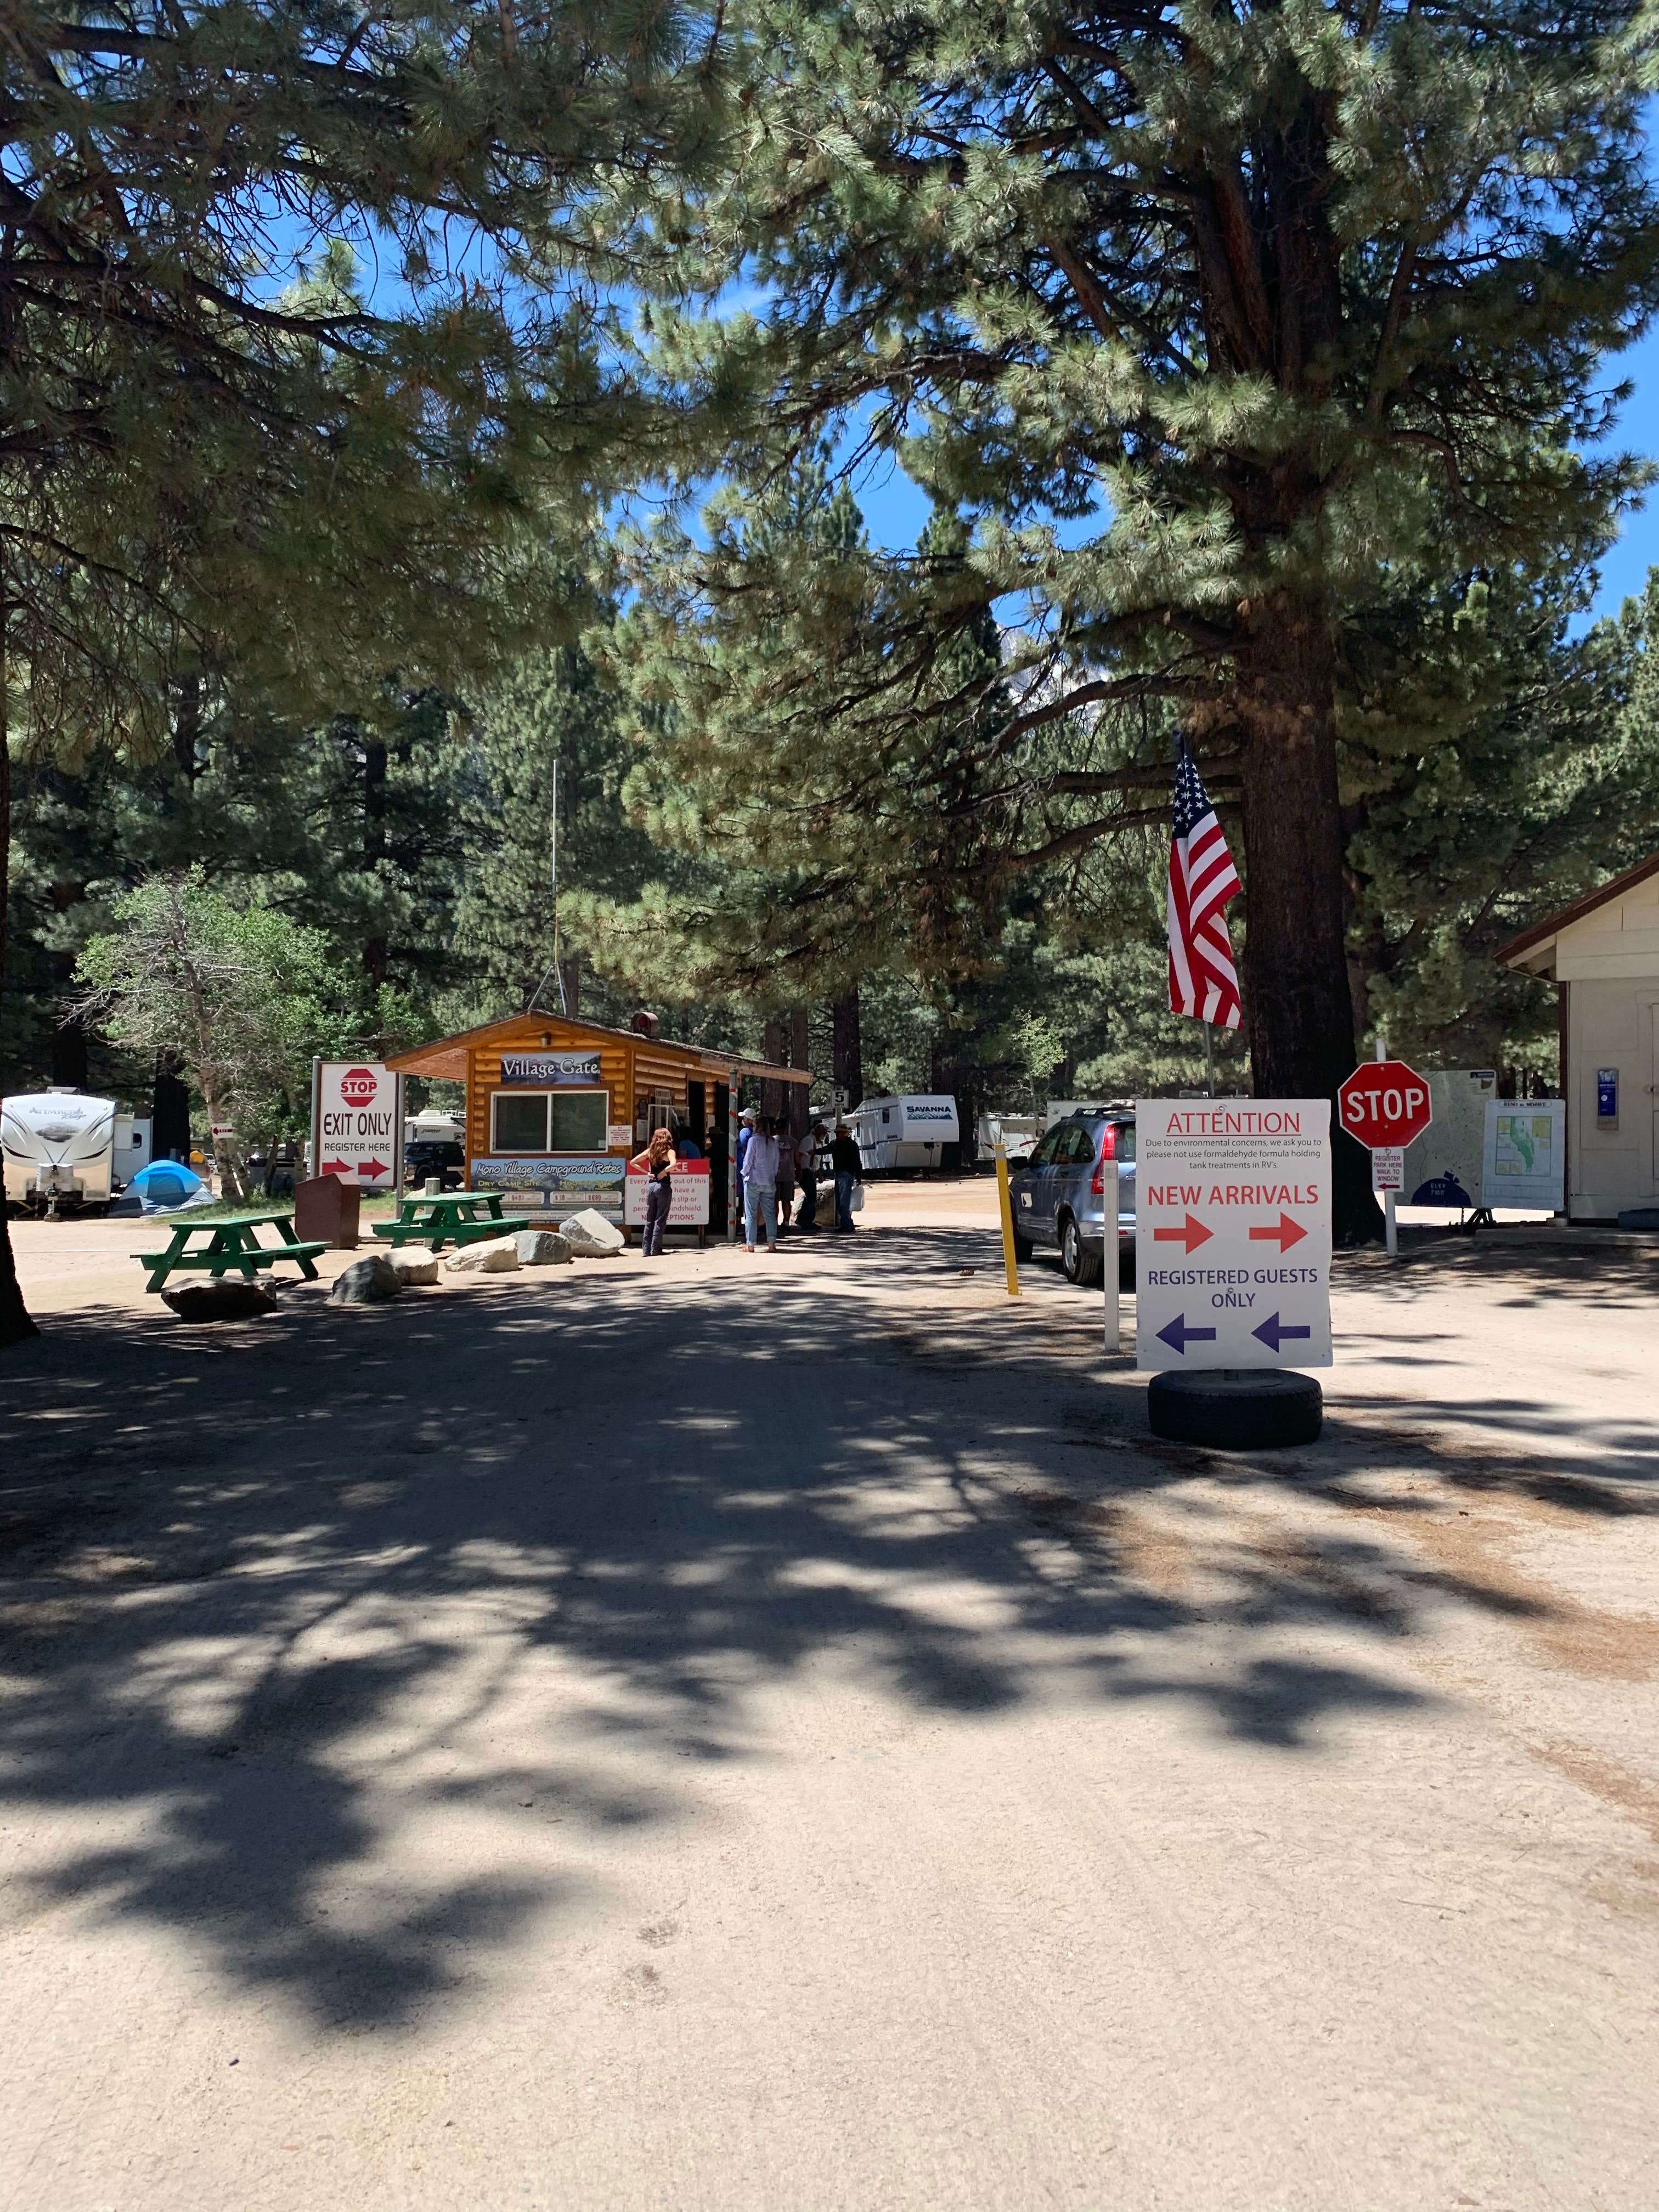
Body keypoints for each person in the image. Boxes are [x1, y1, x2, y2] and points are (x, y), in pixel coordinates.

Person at [632, 1125, 677, 1257]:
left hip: (651, 1186)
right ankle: (656, 1249)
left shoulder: (650, 1151)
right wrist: (664, 1172)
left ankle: (646, 1251)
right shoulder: (669, 1152)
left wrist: (647, 1173)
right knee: (660, 1219)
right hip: (663, 1186)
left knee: (650, 1218)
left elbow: (634, 1162)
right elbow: (673, 1165)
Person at [742, 1118, 781, 1251]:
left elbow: (748, 1161)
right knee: (770, 1214)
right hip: (769, 1181)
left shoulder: (753, 1140)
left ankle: (751, 1244)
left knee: (751, 1214)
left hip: (753, 1180)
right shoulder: (774, 1142)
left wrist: (744, 1173)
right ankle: (771, 1243)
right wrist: (772, 1176)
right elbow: (776, 1164)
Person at [831, 1120, 862, 1233]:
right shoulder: (835, 1143)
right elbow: (825, 1150)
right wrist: (814, 1151)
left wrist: (858, 1176)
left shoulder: (852, 1145)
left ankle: (846, 1226)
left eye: (839, 1133)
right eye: (836, 1133)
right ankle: (848, 1223)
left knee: (844, 1202)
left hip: (847, 1174)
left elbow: (857, 1161)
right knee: (840, 1202)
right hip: (839, 1174)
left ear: (844, 1133)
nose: (837, 1135)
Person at [795, 1121, 825, 1231]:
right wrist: (799, 1171)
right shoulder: (808, 1140)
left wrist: (819, 1174)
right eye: (822, 1133)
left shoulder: (819, 1143)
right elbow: (799, 1155)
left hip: (812, 1171)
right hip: (805, 1171)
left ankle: (807, 1220)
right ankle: (804, 1219)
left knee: (812, 1196)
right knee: (811, 1196)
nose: (824, 1135)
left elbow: (816, 1162)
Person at [774, 1117, 797, 1231]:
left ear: (775, 1128)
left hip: (775, 1175)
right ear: (786, 1128)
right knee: (786, 1201)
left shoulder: (772, 1141)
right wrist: (799, 1172)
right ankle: (786, 1222)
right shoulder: (793, 1142)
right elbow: (797, 1159)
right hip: (789, 1174)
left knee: (775, 1201)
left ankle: (774, 1223)